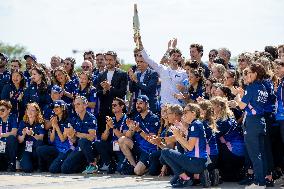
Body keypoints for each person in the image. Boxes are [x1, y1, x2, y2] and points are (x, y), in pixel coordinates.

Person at [233, 63, 268, 188]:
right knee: (261, 153)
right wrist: (243, 95)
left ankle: (259, 183)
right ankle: (262, 180)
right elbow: (250, 104)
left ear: (255, 74)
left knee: (255, 154)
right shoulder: (263, 87)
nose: (247, 75)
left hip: (252, 123)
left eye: (250, 73)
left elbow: (242, 106)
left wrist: (237, 95)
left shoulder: (252, 87)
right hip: (260, 122)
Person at [160, 103, 210, 188]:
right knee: (173, 181)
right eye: (183, 112)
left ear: (193, 113)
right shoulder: (195, 124)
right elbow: (192, 143)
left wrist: (178, 136)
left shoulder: (195, 125)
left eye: (186, 112)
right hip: (198, 161)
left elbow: (190, 147)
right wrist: (183, 129)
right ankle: (200, 175)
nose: (184, 114)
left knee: (165, 152)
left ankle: (186, 179)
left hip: (196, 161)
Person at [136, 36, 187, 106]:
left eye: (178, 56)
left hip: (177, 106)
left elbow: (187, 90)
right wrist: (140, 42)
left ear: (180, 58)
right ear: (170, 57)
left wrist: (183, 89)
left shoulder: (184, 73)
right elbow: (147, 58)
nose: (176, 57)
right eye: (174, 55)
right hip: (164, 106)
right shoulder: (162, 69)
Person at [118, 95, 160, 176]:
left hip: (149, 150)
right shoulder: (136, 118)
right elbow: (128, 136)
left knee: (137, 171)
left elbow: (152, 139)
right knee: (122, 140)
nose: (138, 105)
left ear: (147, 105)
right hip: (138, 148)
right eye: (137, 103)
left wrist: (139, 130)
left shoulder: (154, 118)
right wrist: (130, 128)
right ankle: (134, 165)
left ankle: (144, 168)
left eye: (141, 103)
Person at [211, 96, 245, 182]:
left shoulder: (224, 121)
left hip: (234, 153)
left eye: (212, 106)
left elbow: (212, 136)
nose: (210, 108)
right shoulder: (225, 117)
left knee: (213, 145)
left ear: (219, 107)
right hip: (231, 151)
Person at [61, 96, 97, 174]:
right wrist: (70, 135)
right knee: (65, 169)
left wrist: (77, 134)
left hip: (90, 147)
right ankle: (84, 166)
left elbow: (91, 137)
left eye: (78, 104)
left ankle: (93, 164)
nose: (76, 106)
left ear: (85, 105)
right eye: (75, 104)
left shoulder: (91, 118)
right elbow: (74, 140)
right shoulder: (75, 119)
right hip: (79, 148)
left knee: (83, 141)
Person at [96, 51, 128, 136]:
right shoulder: (101, 75)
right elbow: (97, 93)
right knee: (105, 136)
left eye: (110, 60)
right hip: (104, 111)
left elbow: (122, 92)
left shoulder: (122, 74)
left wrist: (109, 88)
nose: (108, 62)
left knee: (118, 136)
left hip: (118, 111)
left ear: (115, 60)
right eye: (106, 60)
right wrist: (104, 90)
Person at [37, 100, 73, 173]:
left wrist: (56, 126)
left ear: (63, 108)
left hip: (65, 150)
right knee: (40, 149)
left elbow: (63, 139)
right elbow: (51, 140)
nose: (54, 109)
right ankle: (47, 167)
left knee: (53, 170)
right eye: (53, 107)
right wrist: (53, 127)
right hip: (56, 149)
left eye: (57, 107)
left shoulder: (68, 121)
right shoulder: (54, 119)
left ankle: (61, 164)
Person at [93, 98, 128, 174]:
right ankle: (110, 163)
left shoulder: (126, 119)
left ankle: (118, 164)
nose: (113, 107)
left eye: (115, 105)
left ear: (122, 107)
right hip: (113, 146)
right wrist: (107, 129)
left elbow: (125, 137)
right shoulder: (112, 119)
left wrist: (113, 127)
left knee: (121, 170)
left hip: (122, 148)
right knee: (98, 143)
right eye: (112, 105)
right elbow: (103, 139)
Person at [17, 102, 45, 173]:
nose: (29, 112)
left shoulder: (40, 123)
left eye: (32, 110)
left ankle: (39, 165)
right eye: (28, 109)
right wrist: (23, 135)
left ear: (36, 112)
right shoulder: (22, 123)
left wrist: (33, 134)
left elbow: (41, 138)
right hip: (27, 149)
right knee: (27, 169)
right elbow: (20, 141)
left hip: (36, 149)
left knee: (39, 144)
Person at [198, 100, 219, 186]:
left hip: (207, 156)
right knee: (211, 167)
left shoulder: (202, 123)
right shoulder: (211, 122)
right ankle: (213, 172)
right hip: (215, 154)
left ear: (204, 111)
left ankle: (206, 175)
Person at [0, 100, 18, 172]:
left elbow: (14, 133)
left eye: (2, 110)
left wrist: (2, 135)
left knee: (11, 138)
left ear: (8, 110)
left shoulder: (12, 117)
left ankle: (12, 163)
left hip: (8, 148)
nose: (0, 112)